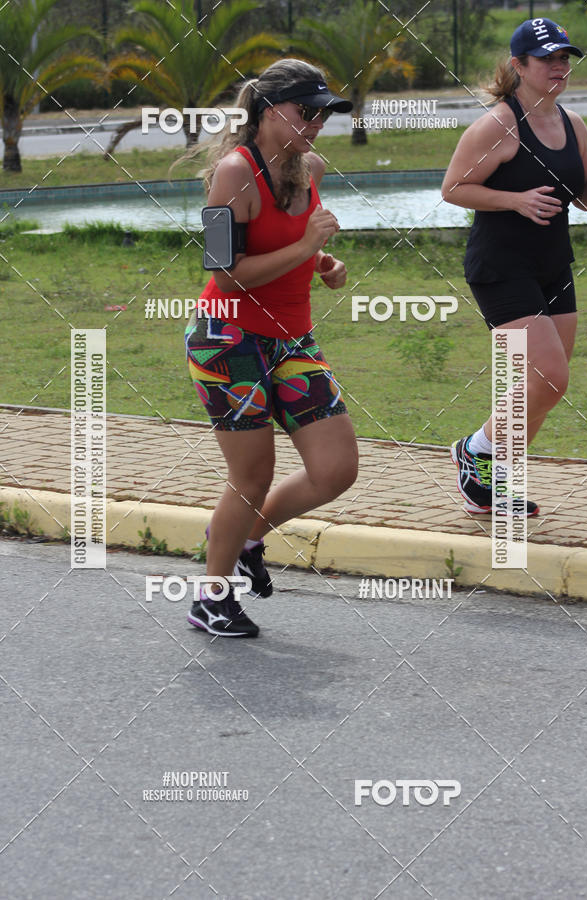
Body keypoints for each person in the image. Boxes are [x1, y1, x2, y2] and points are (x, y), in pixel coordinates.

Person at [184, 59, 358, 637]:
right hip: (228, 340)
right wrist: (309, 242)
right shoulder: (232, 174)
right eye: (306, 112)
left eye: (324, 114)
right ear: (268, 110)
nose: (317, 124)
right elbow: (224, 271)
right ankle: (210, 596)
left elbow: (294, 246)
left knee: (336, 469)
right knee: (252, 476)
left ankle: (242, 537)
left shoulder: (311, 167)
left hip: (291, 339)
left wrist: (321, 262)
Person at [442, 18, 587, 515]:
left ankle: (489, 477)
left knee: (544, 385)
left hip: (553, 263)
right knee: (550, 377)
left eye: (564, 58)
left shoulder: (573, 124)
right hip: (501, 266)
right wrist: (515, 200)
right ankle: (476, 453)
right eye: (546, 58)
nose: (558, 66)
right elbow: (453, 189)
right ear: (518, 66)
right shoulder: (498, 124)